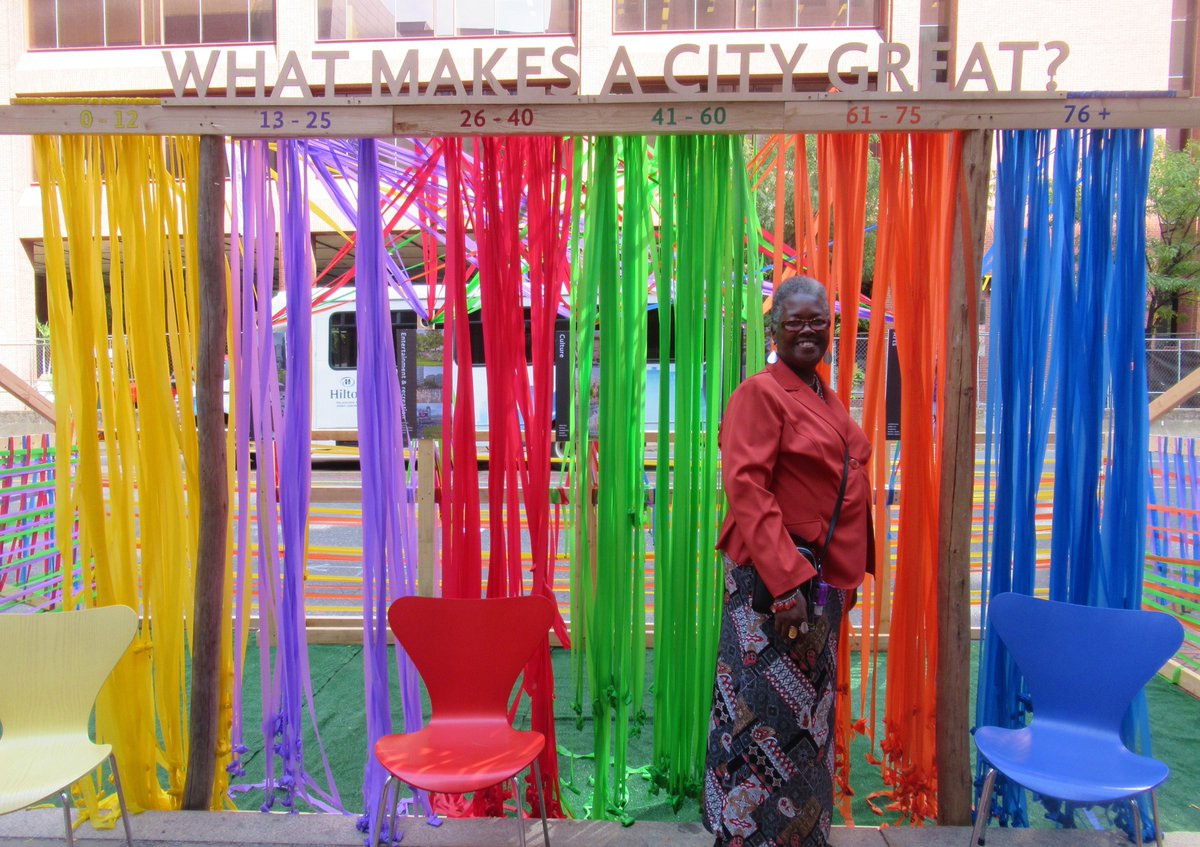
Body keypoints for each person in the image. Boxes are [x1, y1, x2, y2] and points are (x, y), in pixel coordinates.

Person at [703, 276, 874, 847]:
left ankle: (801, 833)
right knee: (760, 720)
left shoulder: (821, 394)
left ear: (832, 326)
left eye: (818, 320)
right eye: (795, 320)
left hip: (816, 583)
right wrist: (784, 587)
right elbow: (748, 488)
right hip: (773, 588)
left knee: (808, 720)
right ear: (774, 330)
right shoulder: (761, 392)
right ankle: (749, 835)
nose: (808, 330)